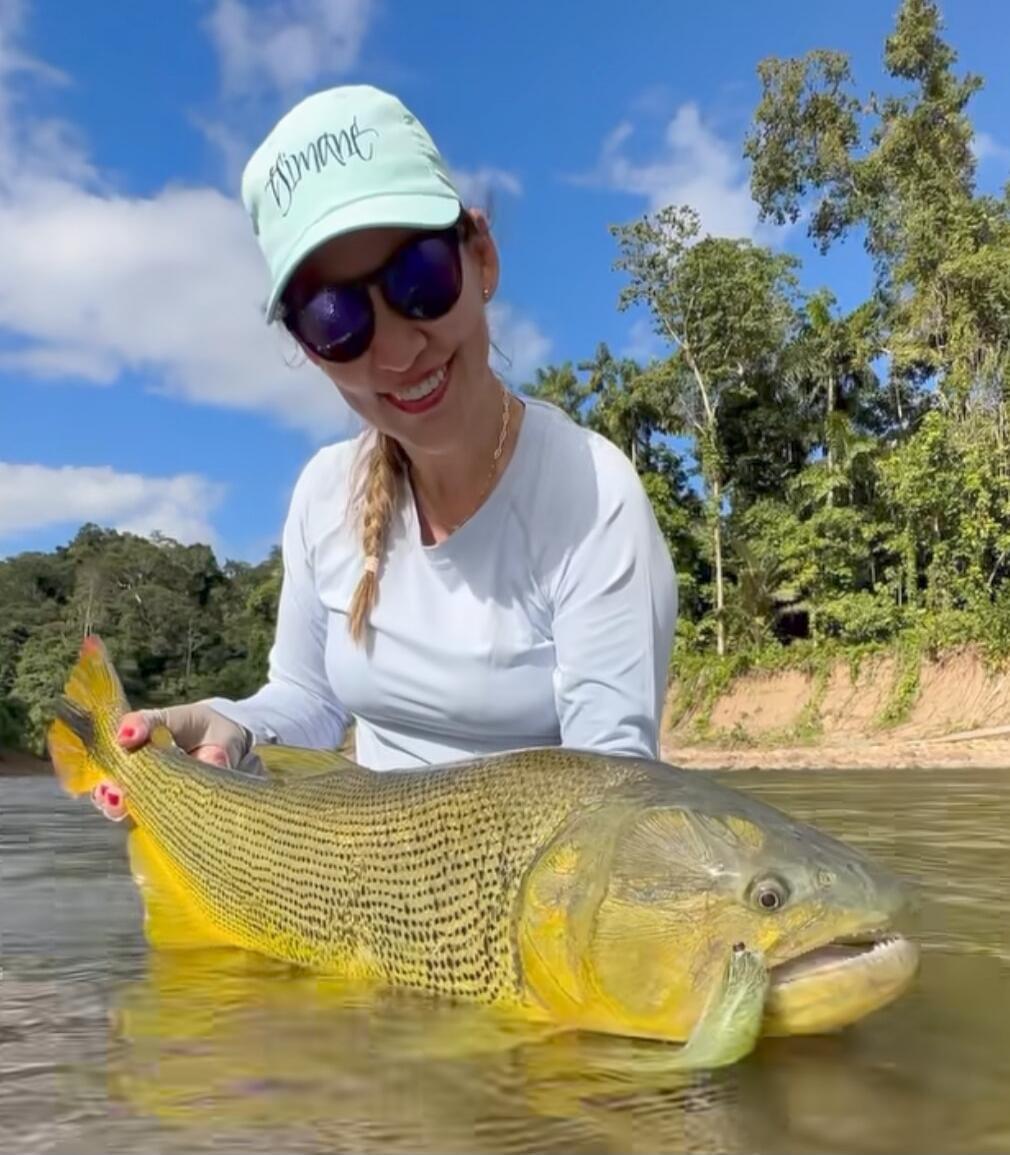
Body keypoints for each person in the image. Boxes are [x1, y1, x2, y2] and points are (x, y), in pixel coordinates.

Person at [109, 84, 678, 787]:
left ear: (481, 258)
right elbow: (309, 703)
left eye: (420, 278)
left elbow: (614, 789)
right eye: (335, 316)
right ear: (310, 350)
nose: (399, 350)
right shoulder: (323, 494)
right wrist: (233, 725)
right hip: (361, 884)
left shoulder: (592, 495)